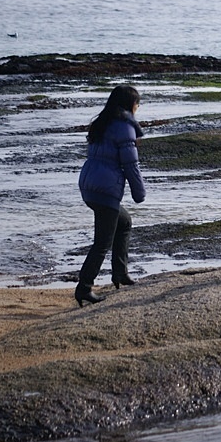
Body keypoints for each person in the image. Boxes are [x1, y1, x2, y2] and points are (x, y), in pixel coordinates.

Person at [75, 85, 146, 307]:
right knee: (102, 243)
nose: (138, 107)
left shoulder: (102, 122)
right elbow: (131, 164)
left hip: (89, 184)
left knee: (124, 222)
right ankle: (84, 287)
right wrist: (139, 192)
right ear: (131, 105)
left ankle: (120, 273)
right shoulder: (124, 127)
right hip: (105, 189)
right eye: (137, 103)